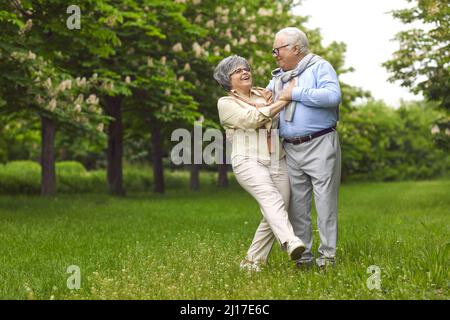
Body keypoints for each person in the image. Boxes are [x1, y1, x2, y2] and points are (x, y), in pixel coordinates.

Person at [213, 55, 305, 271]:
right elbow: (251, 119)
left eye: (246, 68)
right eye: (237, 71)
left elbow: (273, 119)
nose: (245, 72)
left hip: (276, 158)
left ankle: (252, 262)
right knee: (271, 200)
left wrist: (274, 101)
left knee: (276, 210)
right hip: (248, 160)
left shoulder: (263, 94)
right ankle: (290, 241)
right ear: (227, 79)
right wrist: (283, 100)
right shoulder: (225, 103)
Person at [267, 27, 342, 269]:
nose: (274, 54)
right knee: (297, 207)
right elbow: (267, 101)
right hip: (291, 148)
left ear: (295, 49)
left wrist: (295, 92)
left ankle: (328, 258)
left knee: (325, 204)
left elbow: (333, 96)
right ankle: (305, 259)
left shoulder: (320, 67)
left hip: (320, 143)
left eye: (277, 49)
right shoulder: (279, 77)